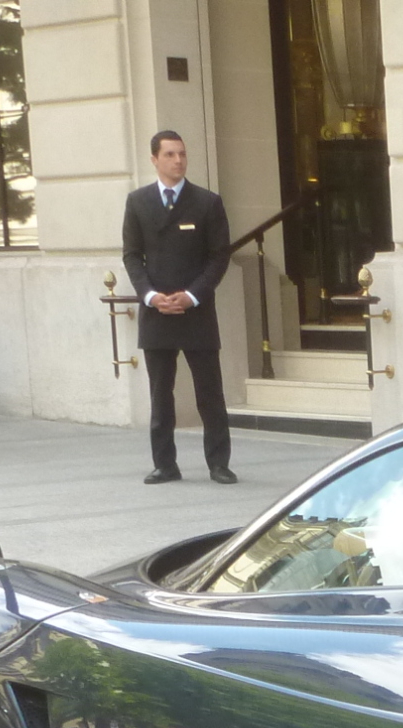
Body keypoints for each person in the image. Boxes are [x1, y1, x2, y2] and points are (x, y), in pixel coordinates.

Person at [121, 130, 234, 485]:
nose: (178, 161)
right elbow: (131, 255)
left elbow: (219, 256)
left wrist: (193, 295)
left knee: (209, 394)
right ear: (154, 159)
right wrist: (151, 296)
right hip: (157, 313)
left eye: (182, 154)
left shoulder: (207, 202)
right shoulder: (137, 202)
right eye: (169, 155)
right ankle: (165, 464)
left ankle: (219, 463)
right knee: (160, 394)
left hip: (196, 312)